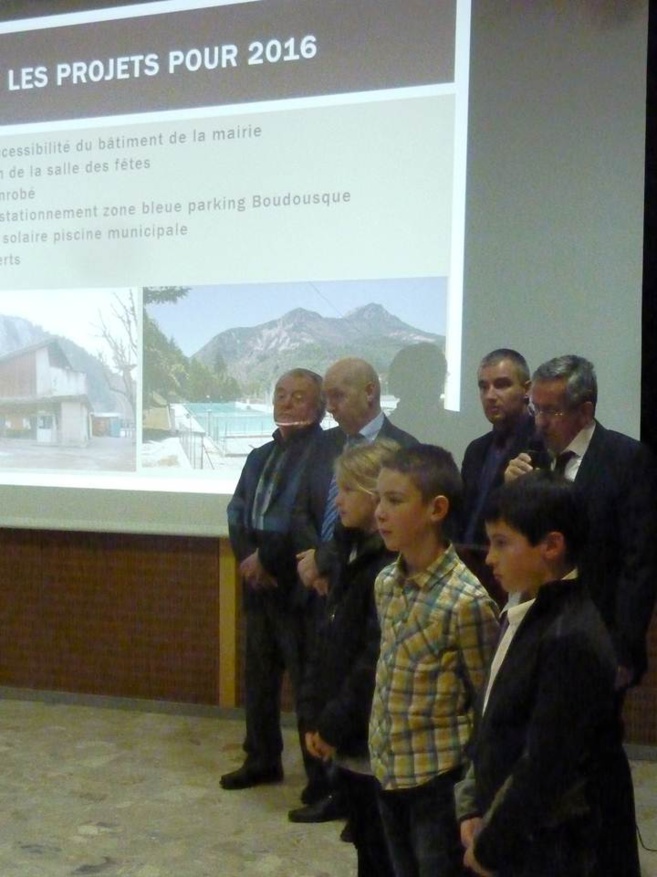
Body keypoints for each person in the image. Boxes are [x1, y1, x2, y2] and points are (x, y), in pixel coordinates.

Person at [504, 354, 657, 877]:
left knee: (598, 753)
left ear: (585, 410)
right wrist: (513, 490)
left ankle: (615, 863)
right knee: (547, 750)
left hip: (598, 638)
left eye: (551, 411)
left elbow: (639, 563)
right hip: (538, 630)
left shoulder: (626, 458)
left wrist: (624, 649)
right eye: (535, 408)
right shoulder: (530, 459)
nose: (540, 422)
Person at [455, 471, 630, 877]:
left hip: (549, 844)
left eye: (502, 543)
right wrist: (473, 805)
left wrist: (493, 846)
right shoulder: (529, 609)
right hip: (510, 824)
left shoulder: (570, 636)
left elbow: (545, 765)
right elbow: (494, 719)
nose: (489, 557)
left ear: (551, 545)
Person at [290, 356, 417, 823]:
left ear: (370, 392)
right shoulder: (323, 445)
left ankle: (348, 788)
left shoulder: (405, 451)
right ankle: (328, 784)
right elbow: (303, 508)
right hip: (320, 582)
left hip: (376, 728)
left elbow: (371, 661)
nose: (330, 406)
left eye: (337, 396)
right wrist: (321, 560)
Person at [369, 444, 499, 877]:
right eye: (378, 499)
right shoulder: (385, 582)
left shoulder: (467, 601)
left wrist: (473, 793)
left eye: (395, 500)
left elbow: (485, 701)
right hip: (389, 766)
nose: (380, 513)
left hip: (438, 778)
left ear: (436, 509)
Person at [219, 368, 326, 795]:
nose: (286, 402)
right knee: (259, 677)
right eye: (280, 394)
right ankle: (261, 759)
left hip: (296, 582)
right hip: (257, 582)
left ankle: (319, 777)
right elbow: (236, 510)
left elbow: (301, 520)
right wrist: (248, 557)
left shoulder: (324, 454)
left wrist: (267, 559)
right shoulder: (259, 455)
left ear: (319, 407)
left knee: (307, 683)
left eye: (298, 396)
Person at [297, 439, 399, 877]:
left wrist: (333, 724)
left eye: (347, 490)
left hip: (369, 733)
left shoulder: (386, 567)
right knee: (365, 845)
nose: (337, 500)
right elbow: (328, 642)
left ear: (376, 497)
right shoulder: (347, 552)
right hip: (346, 730)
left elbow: (371, 659)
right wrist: (316, 714)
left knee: (380, 849)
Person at [458, 349, 547, 606]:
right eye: (483, 387)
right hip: (469, 570)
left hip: (516, 576)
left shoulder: (542, 444)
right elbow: (465, 515)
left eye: (502, 385)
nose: (490, 395)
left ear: (527, 389)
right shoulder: (476, 449)